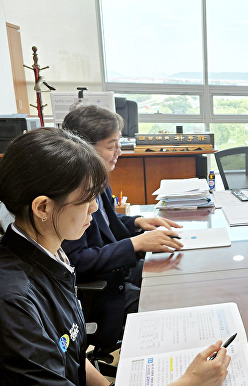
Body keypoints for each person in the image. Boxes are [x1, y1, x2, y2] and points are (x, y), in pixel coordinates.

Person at [0, 127, 230, 385]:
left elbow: (69, 352)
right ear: (43, 207)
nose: (95, 207)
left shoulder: (49, 253)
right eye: (86, 198)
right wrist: (188, 383)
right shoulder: (14, 303)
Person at [61, 104, 184, 316]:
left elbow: (105, 223)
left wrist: (137, 222)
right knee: (170, 301)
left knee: (176, 274)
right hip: (103, 288)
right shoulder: (71, 193)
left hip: (118, 270)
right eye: (111, 146)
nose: (119, 152)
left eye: (120, 144)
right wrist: (136, 243)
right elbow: (78, 261)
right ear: (84, 148)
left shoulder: (98, 179)